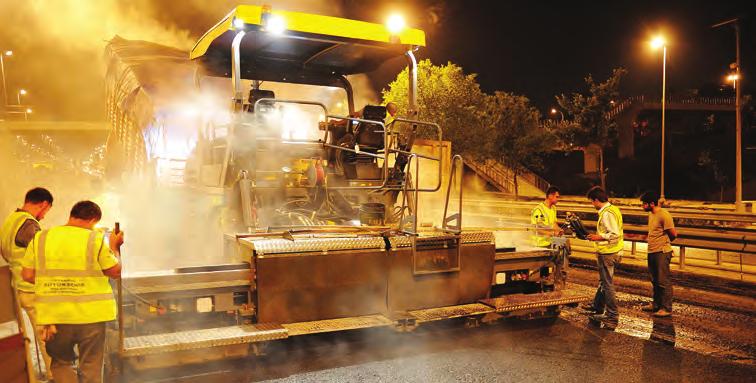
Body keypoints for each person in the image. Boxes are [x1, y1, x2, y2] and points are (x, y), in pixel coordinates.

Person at [21, 201, 124, 383]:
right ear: (93, 219)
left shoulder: (41, 238)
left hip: (55, 316)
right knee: (91, 365)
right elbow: (114, 272)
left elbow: (27, 275)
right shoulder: (95, 238)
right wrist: (114, 246)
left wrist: (54, 283)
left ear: (72, 215)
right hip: (91, 316)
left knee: (61, 363)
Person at [0, 187, 54, 382]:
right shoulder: (29, 224)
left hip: (16, 286)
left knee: (24, 339)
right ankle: (53, 374)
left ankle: (29, 376)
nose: (45, 216)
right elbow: (42, 255)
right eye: (46, 211)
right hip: (32, 287)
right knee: (45, 334)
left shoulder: (9, 221)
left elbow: (6, 253)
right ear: (43, 205)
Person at [581, 186, 624, 329]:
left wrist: (597, 237)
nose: (592, 205)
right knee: (603, 282)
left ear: (597, 200)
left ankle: (612, 315)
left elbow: (614, 234)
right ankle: (597, 306)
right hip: (613, 251)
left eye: (592, 202)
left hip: (608, 253)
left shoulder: (607, 213)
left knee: (607, 285)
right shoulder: (613, 209)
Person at [640, 191, 677, 317]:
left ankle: (666, 308)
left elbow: (673, 234)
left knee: (663, 280)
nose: (642, 206)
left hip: (662, 251)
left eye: (644, 204)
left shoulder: (664, 215)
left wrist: (664, 243)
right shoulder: (651, 214)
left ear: (652, 203)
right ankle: (656, 304)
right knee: (654, 280)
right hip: (652, 250)